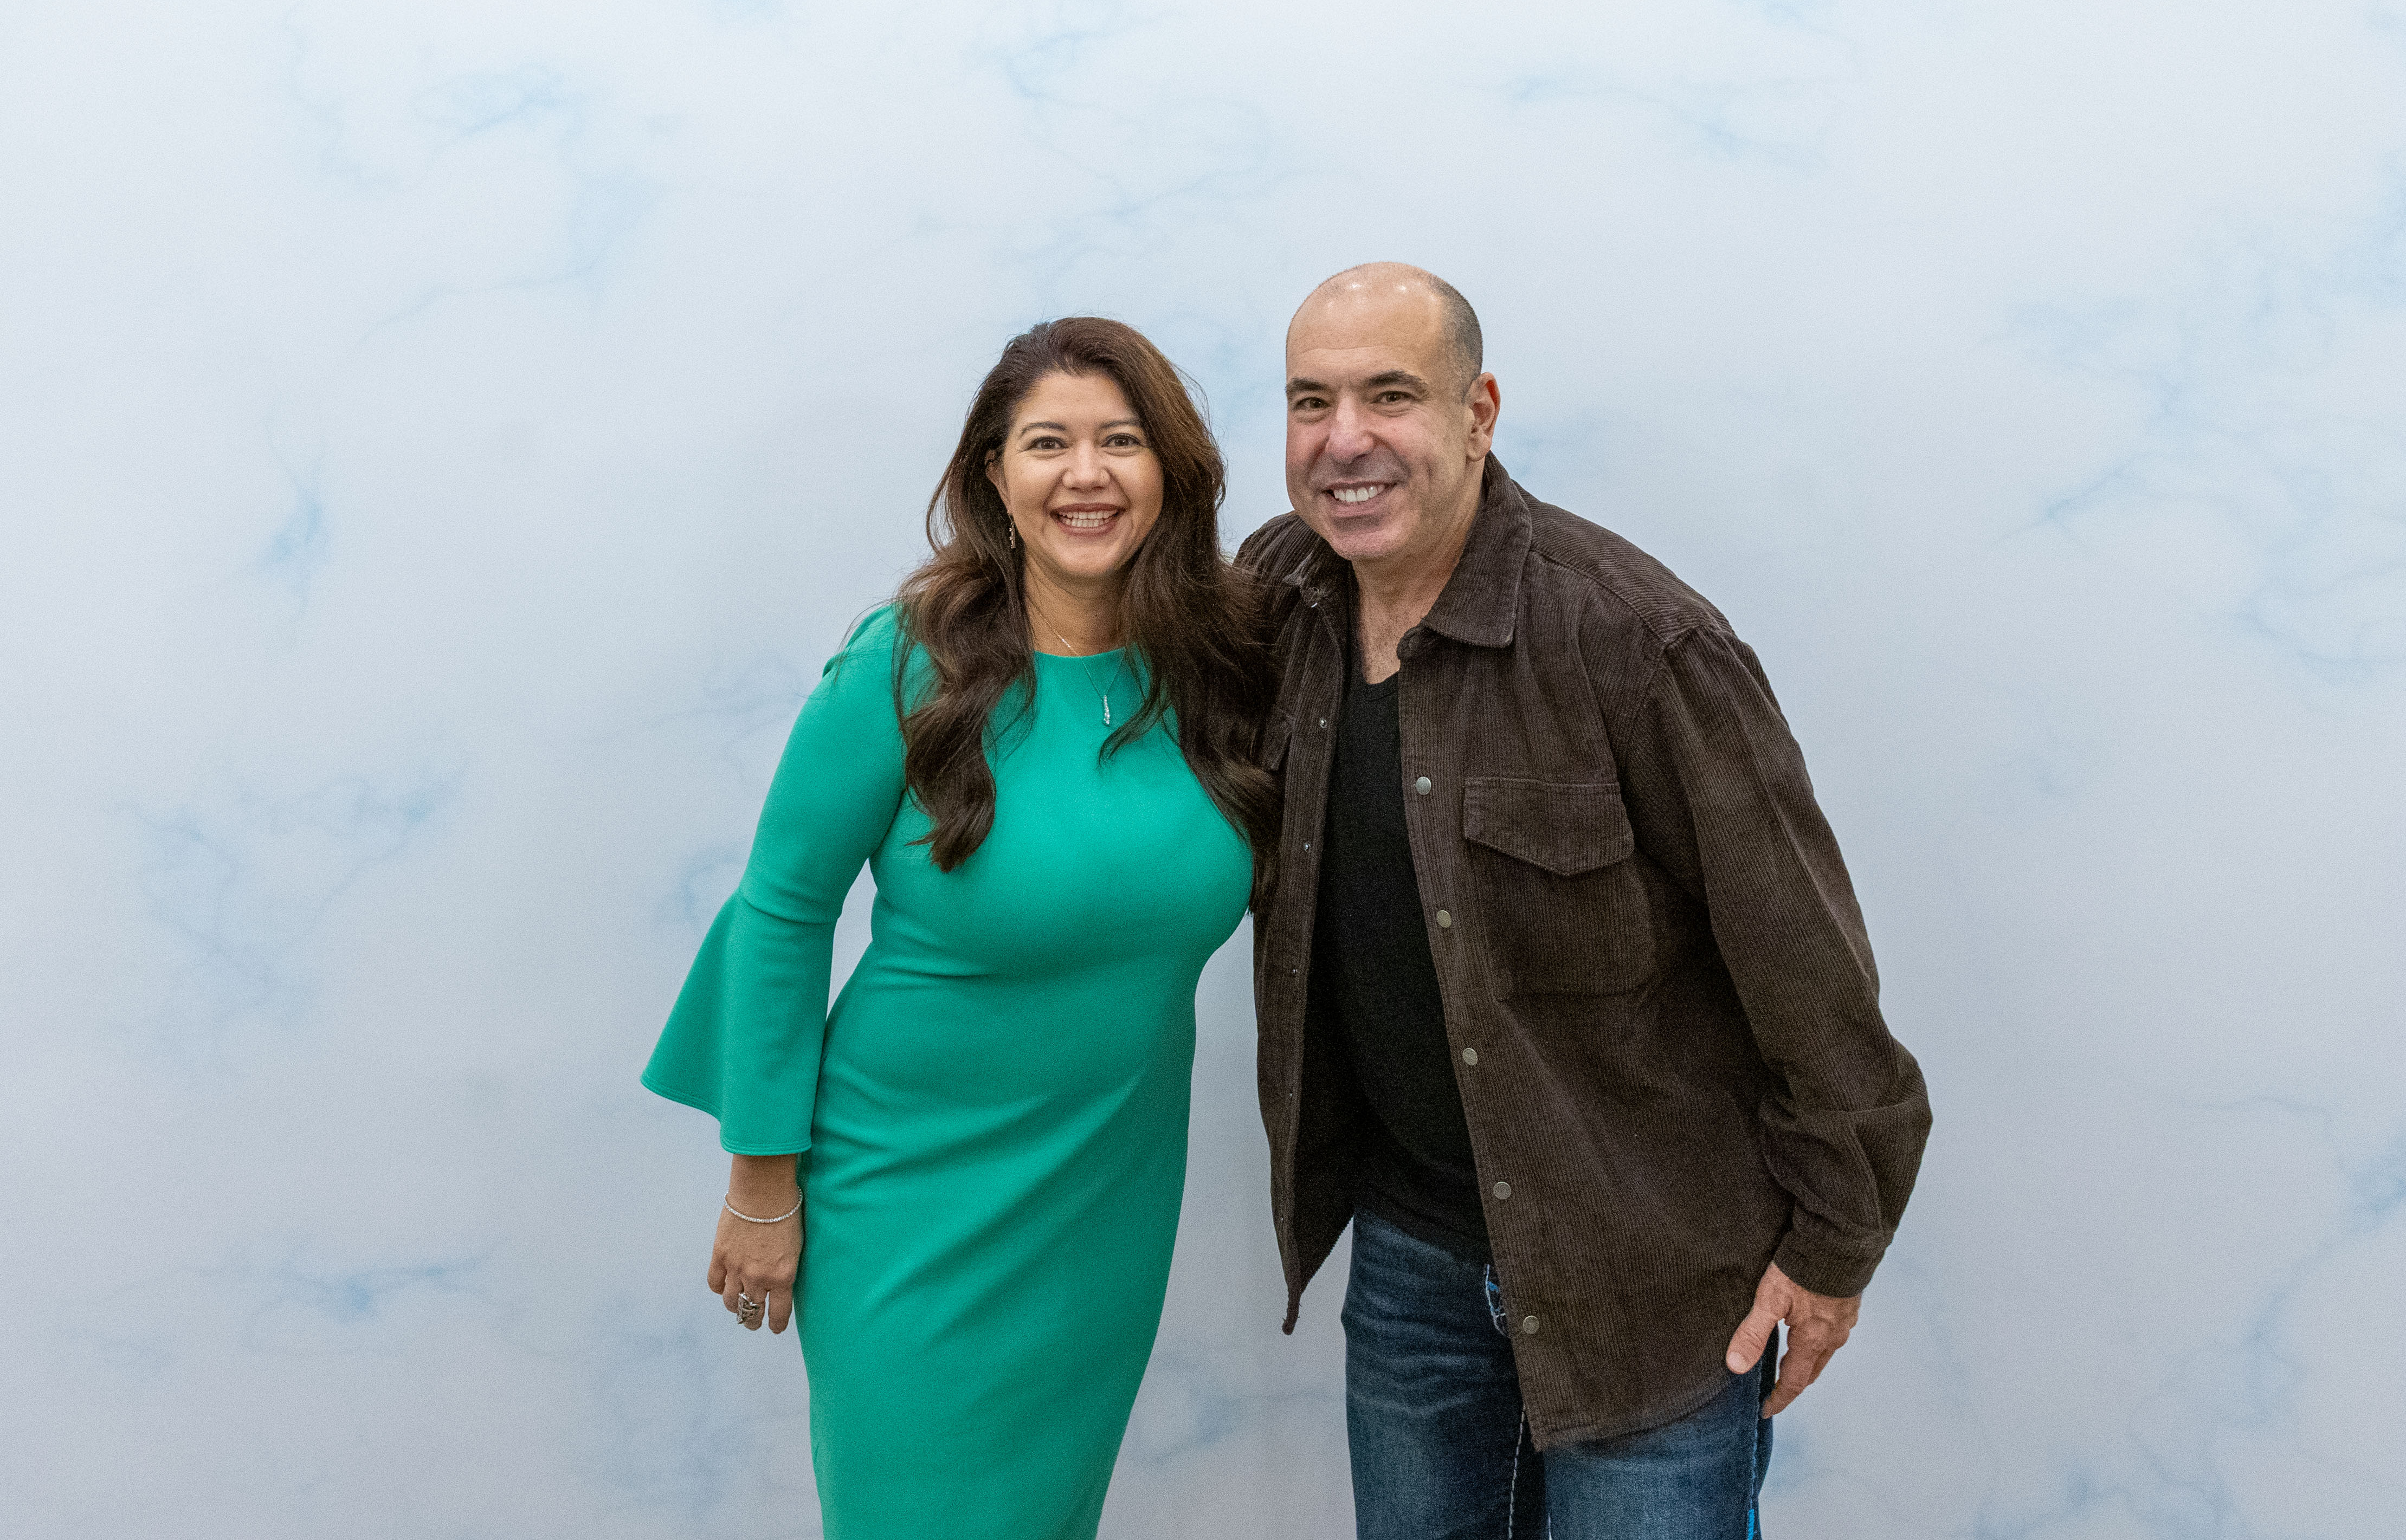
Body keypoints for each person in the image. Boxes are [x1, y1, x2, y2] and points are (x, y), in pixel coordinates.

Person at [1238, 263, 1932, 1538]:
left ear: (1478, 412)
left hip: (1652, 1282)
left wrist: (1834, 1248)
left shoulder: (1637, 639)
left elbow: (1810, 969)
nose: (1344, 440)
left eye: (1391, 395)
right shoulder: (1281, 602)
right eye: (1310, 401)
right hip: (1411, 1269)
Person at [642, 317, 1276, 1539]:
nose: (1085, 474)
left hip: (1104, 1203)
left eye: (1121, 441)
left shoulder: (1219, 663)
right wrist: (762, 1181)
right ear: (995, 473)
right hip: (907, 1201)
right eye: (1047, 443)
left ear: (1171, 469)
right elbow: (781, 909)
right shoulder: (908, 661)